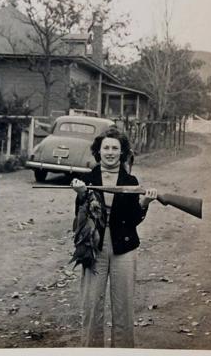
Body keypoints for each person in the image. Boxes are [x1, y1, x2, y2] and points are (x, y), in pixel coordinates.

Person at [71, 126, 157, 348]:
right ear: (98, 151)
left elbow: (135, 219)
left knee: (123, 308)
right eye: (105, 147)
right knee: (91, 307)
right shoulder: (87, 179)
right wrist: (82, 195)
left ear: (122, 152)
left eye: (115, 148)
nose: (110, 152)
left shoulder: (130, 181)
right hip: (94, 246)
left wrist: (144, 204)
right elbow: (80, 218)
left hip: (125, 248)